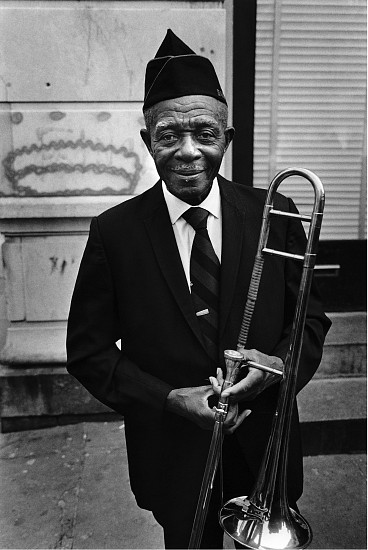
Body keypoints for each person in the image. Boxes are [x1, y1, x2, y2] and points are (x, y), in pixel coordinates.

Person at [66, 29, 331, 549]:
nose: (188, 152)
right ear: (147, 141)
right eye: (168, 135)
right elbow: (89, 353)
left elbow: (312, 323)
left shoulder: (274, 214)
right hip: (172, 452)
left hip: (263, 445)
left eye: (205, 133)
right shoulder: (114, 232)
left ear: (227, 140)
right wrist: (167, 398)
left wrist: (276, 369)